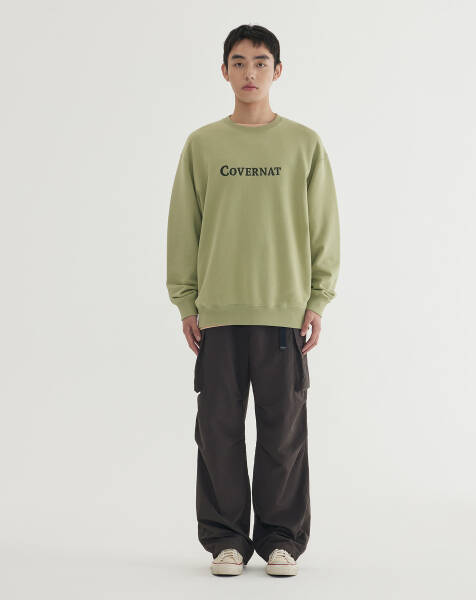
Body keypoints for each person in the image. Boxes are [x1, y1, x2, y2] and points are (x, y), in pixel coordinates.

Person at [166, 23, 340, 577]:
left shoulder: (303, 143)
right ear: (224, 71)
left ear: (277, 70)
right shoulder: (203, 144)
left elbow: (323, 228)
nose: (249, 73)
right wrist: (186, 301)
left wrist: (317, 299)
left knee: (282, 435)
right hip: (218, 315)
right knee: (218, 432)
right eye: (238, 62)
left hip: (283, 313)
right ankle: (227, 542)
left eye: (260, 62)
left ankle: (281, 539)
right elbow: (184, 227)